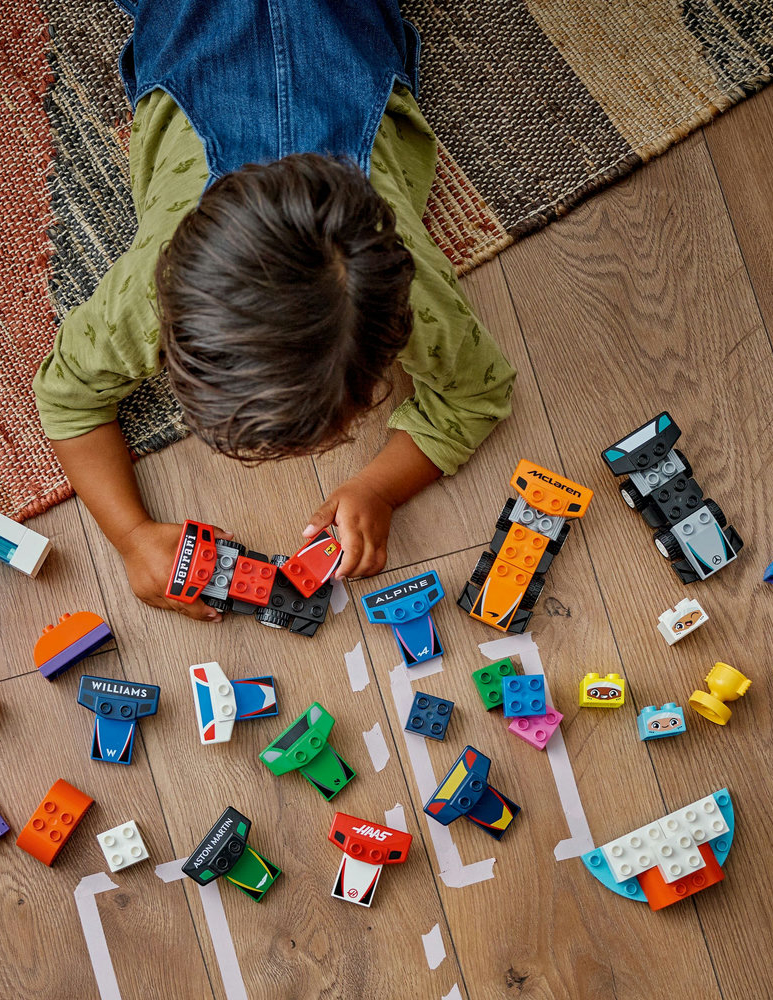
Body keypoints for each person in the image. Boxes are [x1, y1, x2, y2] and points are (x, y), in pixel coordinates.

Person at [34, 0, 515, 621]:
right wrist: (129, 534)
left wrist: (378, 488)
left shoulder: (412, 289)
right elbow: (66, 399)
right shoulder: (150, 292)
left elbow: (479, 396)